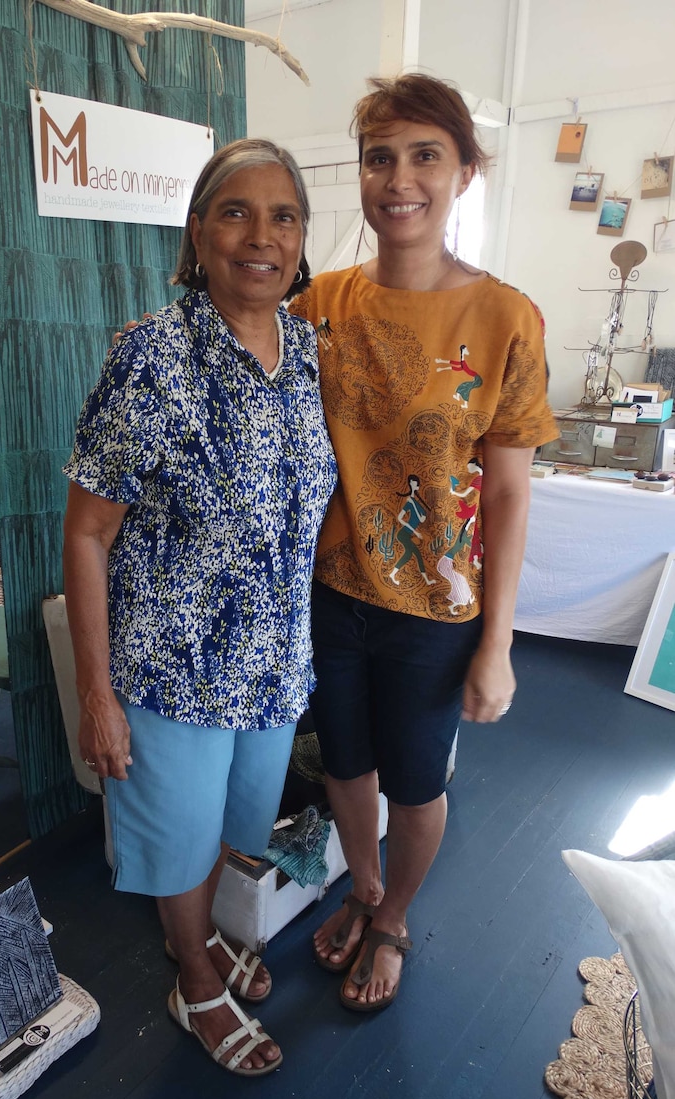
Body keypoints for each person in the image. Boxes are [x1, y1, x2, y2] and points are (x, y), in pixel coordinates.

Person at [62, 139, 336, 1074]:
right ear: (197, 232)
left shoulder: (309, 352)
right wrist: (94, 692)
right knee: (178, 846)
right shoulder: (154, 355)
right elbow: (88, 533)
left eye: (284, 216)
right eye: (236, 212)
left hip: (268, 665)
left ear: (303, 240)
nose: (261, 236)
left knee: (233, 830)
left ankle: (207, 940)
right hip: (169, 669)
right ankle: (194, 977)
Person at [286, 74, 558, 1012]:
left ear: (465, 173)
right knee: (345, 766)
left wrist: (499, 643)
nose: (397, 179)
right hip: (330, 588)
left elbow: (513, 493)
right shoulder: (315, 305)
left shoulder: (505, 320)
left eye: (424, 155)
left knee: (413, 779)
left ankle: (394, 912)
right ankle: (361, 890)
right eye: (378, 157)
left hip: (438, 608)